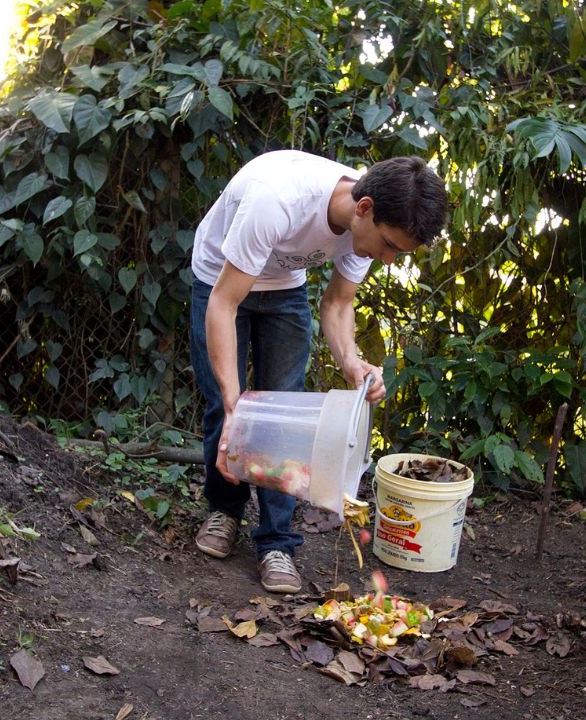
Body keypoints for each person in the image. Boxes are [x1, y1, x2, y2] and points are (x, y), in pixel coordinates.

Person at [188, 150, 448, 593]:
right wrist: (235, 404)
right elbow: (224, 303)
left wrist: (351, 360)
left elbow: (337, 303)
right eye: (389, 245)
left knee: (283, 421)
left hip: (285, 290)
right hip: (219, 280)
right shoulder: (277, 200)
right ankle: (225, 511)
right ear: (364, 208)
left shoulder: (368, 226)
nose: (388, 259)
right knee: (223, 408)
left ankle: (277, 543)